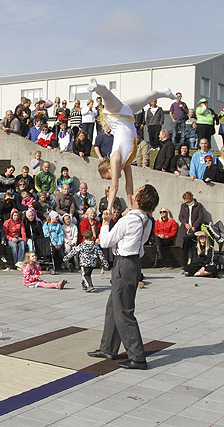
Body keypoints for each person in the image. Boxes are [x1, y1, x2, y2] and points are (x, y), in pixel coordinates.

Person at [88, 184, 159, 370]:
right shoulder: (147, 220)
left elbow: (105, 241)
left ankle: (137, 357)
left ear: (138, 198)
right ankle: (108, 348)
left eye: (138, 191)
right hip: (133, 262)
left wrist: (105, 222)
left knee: (124, 312)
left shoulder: (129, 220)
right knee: (114, 306)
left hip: (124, 264)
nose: (134, 191)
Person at [90, 78, 176, 211]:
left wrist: (109, 208)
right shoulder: (126, 163)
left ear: (109, 169)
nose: (114, 177)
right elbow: (129, 186)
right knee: (149, 96)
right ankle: (166, 93)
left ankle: (97, 87)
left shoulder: (115, 159)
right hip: (127, 113)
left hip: (116, 115)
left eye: (110, 176)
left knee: (107, 97)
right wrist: (130, 206)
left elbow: (115, 187)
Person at [176, 191, 204, 271]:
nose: (186, 202)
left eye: (187, 200)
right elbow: (180, 216)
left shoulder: (198, 206)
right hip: (185, 230)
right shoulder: (183, 206)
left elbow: (200, 217)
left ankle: (193, 265)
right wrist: (185, 223)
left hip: (194, 230)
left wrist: (195, 225)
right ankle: (184, 266)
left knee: (194, 249)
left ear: (191, 198)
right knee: (184, 249)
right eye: (185, 200)